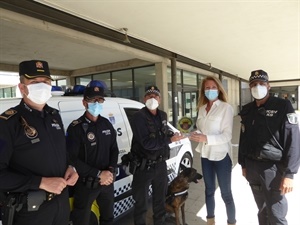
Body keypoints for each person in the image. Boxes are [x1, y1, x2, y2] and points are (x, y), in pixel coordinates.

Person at [0, 60, 78, 225]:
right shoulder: (8, 123)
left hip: (61, 205)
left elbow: (60, 151)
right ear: (22, 88)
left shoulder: (54, 115)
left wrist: (71, 167)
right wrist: (40, 182)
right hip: (31, 212)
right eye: (35, 82)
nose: (42, 86)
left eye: (46, 82)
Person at [238, 70, 300, 225]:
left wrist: (289, 174)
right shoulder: (247, 110)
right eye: (253, 84)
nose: (257, 87)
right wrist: (243, 164)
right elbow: (243, 138)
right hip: (252, 168)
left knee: (276, 214)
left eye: (261, 83)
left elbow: (293, 140)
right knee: (262, 211)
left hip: (273, 169)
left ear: (269, 86)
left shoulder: (283, 106)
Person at [66, 80, 119, 225]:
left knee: (108, 218)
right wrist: (97, 174)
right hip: (86, 184)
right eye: (92, 100)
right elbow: (72, 158)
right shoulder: (75, 127)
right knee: (81, 219)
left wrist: (110, 171)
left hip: (107, 182)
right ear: (84, 103)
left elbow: (114, 149)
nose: (96, 103)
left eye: (99, 100)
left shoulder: (106, 124)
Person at [130, 85, 184, 225]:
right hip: (143, 167)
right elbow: (146, 143)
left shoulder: (163, 115)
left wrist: (173, 135)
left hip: (160, 166)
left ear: (159, 99)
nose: (152, 98)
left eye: (155, 96)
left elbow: (163, 132)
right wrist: (169, 140)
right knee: (141, 205)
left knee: (159, 202)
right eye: (149, 96)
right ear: (144, 99)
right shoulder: (138, 117)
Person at [189, 76, 236, 225]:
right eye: (207, 88)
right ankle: (211, 221)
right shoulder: (202, 109)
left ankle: (231, 222)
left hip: (221, 156)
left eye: (213, 87)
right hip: (206, 155)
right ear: (203, 90)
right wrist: (194, 134)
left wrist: (206, 138)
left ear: (219, 89)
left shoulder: (225, 108)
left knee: (226, 194)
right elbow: (201, 129)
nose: (210, 90)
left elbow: (227, 135)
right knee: (209, 191)